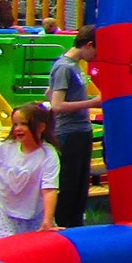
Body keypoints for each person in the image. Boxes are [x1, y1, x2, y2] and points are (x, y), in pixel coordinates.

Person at [0, 104, 60, 240]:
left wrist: (47, 220)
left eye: (23, 124)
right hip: (4, 207)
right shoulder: (4, 146)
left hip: (33, 212)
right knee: (3, 243)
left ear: (41, 127)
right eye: (15, 124)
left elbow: (49, 189)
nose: (18, 128)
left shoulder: (48, 154)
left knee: (30, 249)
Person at [46, 25, 104, 230]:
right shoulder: (65, 66)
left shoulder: (74, 66)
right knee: (70, 186)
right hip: (69, 133)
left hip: (81, 130)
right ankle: (65, 225)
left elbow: (49, 93)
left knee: (80, 185)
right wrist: (92, 103)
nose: (96, 56)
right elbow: (57, 105)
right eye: (97, 50)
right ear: (89, 45)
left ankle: (75, 224)